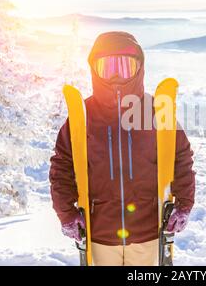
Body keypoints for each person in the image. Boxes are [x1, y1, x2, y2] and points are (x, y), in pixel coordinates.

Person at [49, 31, 196, 266]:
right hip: (100, 236)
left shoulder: (155, 110)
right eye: (107, 68)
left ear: (139, 68)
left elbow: (181, 158)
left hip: (149, 233)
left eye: (125, 67)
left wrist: (184, 205)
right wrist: (67, 214)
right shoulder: (83, 116)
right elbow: (62, 166)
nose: (116, 76)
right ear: (94, 70)